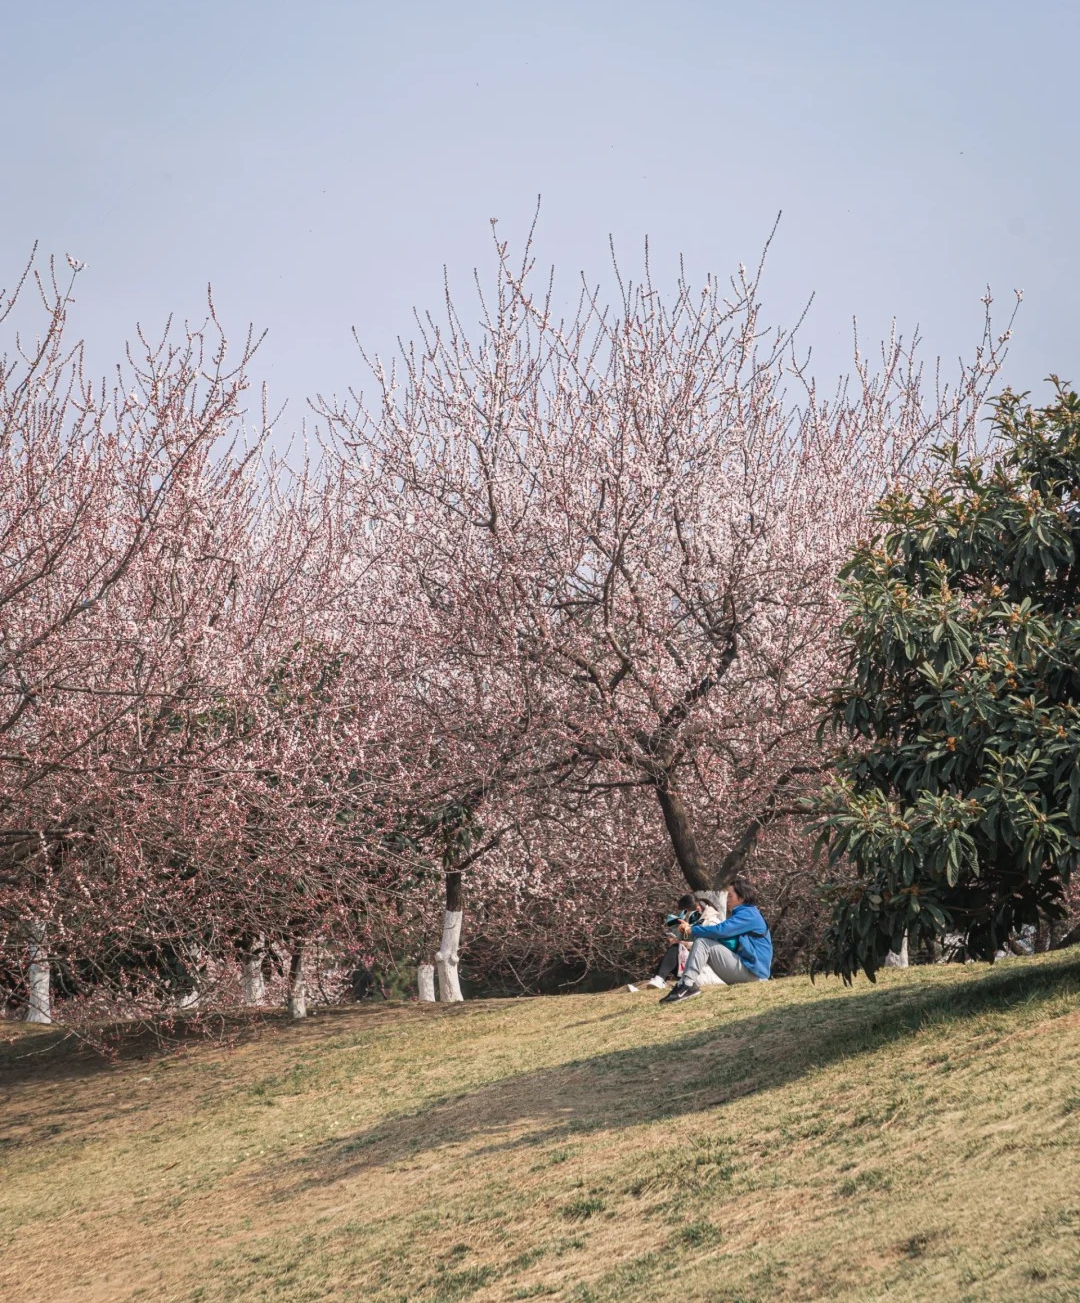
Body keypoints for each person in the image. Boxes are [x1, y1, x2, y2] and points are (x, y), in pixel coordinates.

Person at [659, 877, 772, 1003]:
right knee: (703, 942)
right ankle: (685, 984)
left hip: (753, 974)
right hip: (749, 970)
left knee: (703, 942)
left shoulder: (749, 914)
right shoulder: (747, 913)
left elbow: (721, 931)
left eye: (730, 896)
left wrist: (691, 930)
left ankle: (687, 985)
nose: (727, 900)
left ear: (741, 898)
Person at [644, 892, 725, 990]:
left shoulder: (712, 923)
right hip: (697, 965)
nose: (685, 918)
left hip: (708, 971)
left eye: (686, 915)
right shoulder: (697, 922)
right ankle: (659, 979)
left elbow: (708, 947)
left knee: (677, 948)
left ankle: (659, 979)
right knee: (675, 951)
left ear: (697, 909)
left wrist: (684, 943)